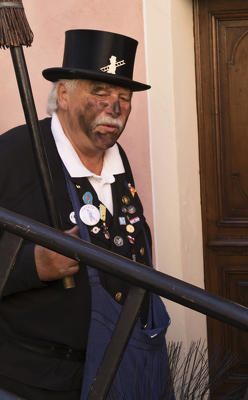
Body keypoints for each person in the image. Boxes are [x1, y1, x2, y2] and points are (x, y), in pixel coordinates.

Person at [0, 29, 170, 399]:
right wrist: (32, 265)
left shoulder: (117, 157)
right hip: (37, 383)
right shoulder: (12, 155)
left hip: (120, 371)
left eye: (124, 97)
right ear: (63, 94)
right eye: (100, 93)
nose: (115, 107)